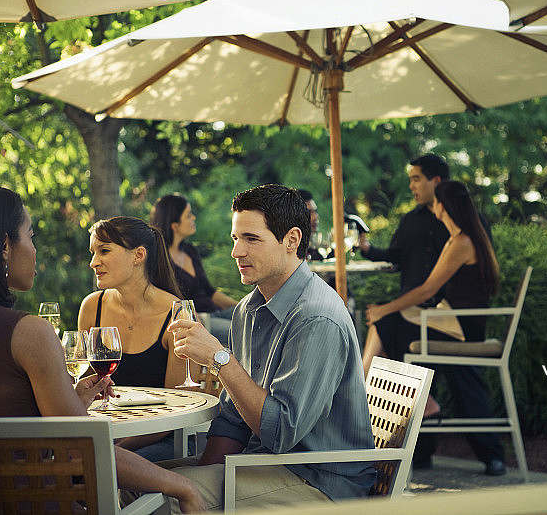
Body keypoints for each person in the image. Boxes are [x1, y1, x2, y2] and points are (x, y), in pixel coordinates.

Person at [0, 184, 205, 511]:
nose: (34, 249)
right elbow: (83, 449)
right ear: (4, 246)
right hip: (33, 503)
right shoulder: (29, 334)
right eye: (31, 236)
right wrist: (183, 486)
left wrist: (72, 401)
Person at [158, 184, 376, 513]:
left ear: (292, 240)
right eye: (235, 238)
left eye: (251, 239)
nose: (237, 251)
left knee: (152, 499)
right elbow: (234, 419)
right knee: (132, 483)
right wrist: (204, 473)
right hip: (262, 463)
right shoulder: (248, 309)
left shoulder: (316, 318)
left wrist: (220, 359)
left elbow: (280, 432)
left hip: (318, 480)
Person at [362, 179, 506, 475]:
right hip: (451, 321)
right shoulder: (459, 239)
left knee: (385, 322)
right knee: (386, 324)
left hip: (462, 328)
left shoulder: (462, 242)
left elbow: (427, 290)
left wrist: (385, 309)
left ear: (442, 206)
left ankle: (373, 395)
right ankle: (410, 399)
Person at [78, 215, 189, 461]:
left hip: (160, 439)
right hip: (106, 436)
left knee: (102, 468)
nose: (93, 262)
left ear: (138, 255)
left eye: (104, 251)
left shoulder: (176, 314)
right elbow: (86, 388)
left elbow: (177, 408)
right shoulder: (92, 307)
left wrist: (118, 449)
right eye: (93, 253)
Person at [150, 194, 238, 339]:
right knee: (242, 332)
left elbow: (210, 291)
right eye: (188, 215)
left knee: (255, 315)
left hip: (216, 312)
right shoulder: (159, 260)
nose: (194, 218)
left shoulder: (190, 250)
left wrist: (239, 306)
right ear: (174, 225)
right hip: (199, 321)